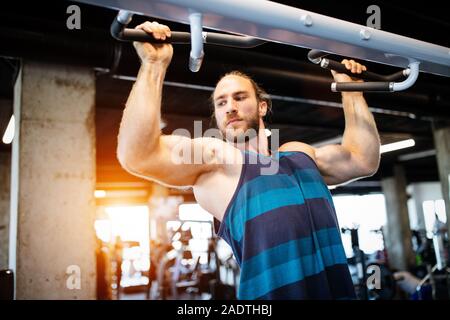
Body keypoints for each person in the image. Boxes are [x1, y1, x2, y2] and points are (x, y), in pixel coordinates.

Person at [117, 21, 380, 299]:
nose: (230, 107)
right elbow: (138, 155)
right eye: (221, 102)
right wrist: (153, 65)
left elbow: (363, 160)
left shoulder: (300, 155)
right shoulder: (219, 161)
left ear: (262, 106)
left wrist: (351, 90)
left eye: (239, 97)